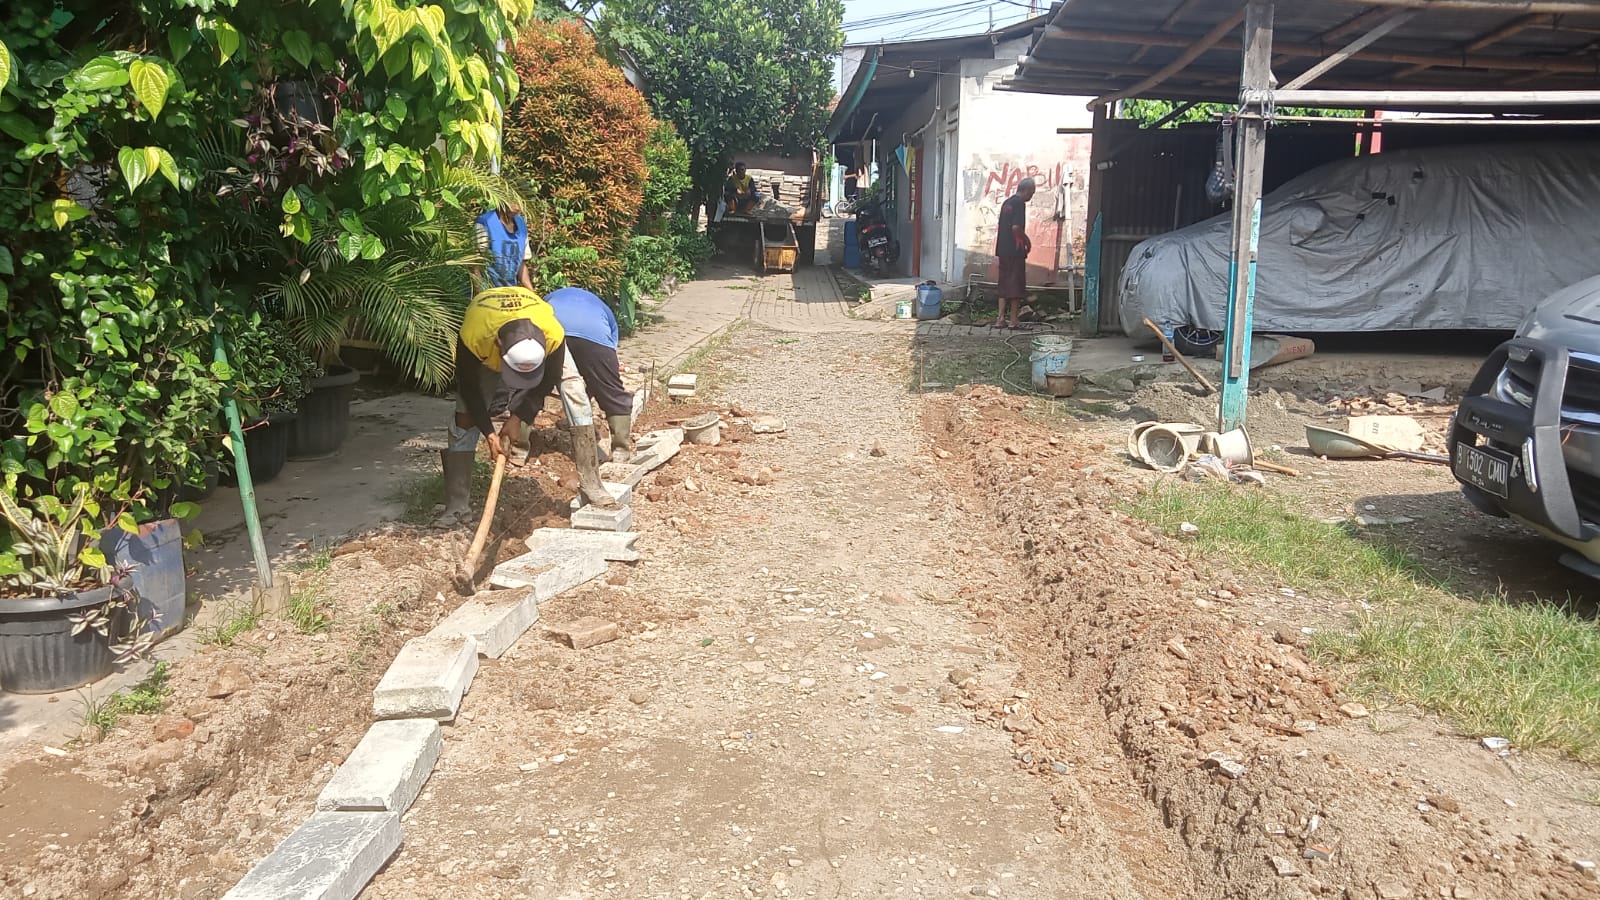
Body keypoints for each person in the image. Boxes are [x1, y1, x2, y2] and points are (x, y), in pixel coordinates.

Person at [540, 287, 635, 463]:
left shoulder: (548, 299)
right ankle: (621, 452)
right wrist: (598, 385)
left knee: (534, 387)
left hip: (552, 331)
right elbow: (601, 365)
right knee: (612, 393)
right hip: (594, 335)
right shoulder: (603, 310)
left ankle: (517, 448)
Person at [995, 178, 1036, 329]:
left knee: (1004, 283)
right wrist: (1027, 241)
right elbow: (1016, 227)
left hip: (1002, 249)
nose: (1031, 196)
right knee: (1016, 285)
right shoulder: (1019, 204)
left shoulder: (1007, 203)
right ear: (1026, 190)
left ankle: (1000, 319)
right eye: (1032, 193)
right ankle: (1014, 320)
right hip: (1014, 249)